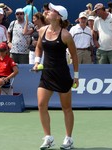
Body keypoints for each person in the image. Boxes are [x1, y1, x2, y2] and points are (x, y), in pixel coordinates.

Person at [33, 3, 78, 150]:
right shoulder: (42, 30)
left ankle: (69, 139)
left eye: (52, 11)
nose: (47, 12)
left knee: (66, 108)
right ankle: (48, 137)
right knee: (41, 105)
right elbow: (39, 47)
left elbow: (74, 56)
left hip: (62, 75)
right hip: (46, 74)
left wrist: (76, 76)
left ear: (58, 17)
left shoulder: (66, 35)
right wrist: (36, 62)